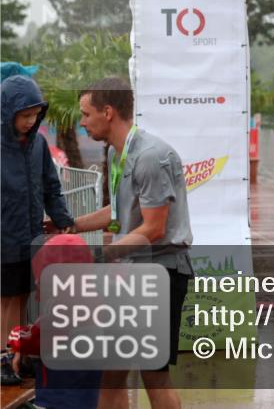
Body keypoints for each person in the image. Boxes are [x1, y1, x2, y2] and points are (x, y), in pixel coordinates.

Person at [71, 77, 192, 409]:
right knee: (112, 369)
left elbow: (154, 228)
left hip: (160, 272)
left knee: (153, 373)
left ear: (107, 112)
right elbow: (122, 210)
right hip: (132, 270)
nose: (81, 122)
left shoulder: (152, 157)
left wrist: (100, 255)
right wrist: (71, 225)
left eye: (85, 113)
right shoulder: (117, 154)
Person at [1, 75, 75, 385]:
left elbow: (50, 185)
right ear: (8, 113)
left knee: (26, 296)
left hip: (31, 236)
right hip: (4, 237)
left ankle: (20, 355)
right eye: (24, 116)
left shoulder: (38, 145)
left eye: (35, 115)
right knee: (7, 300)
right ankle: (4, 357)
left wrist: (62, 217)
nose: (31, 122)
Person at [9, 233, 102, 409]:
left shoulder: (60, 310)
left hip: (58, 398)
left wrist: (15, 339)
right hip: (89, 398)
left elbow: (31, 339)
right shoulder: (94, 303)